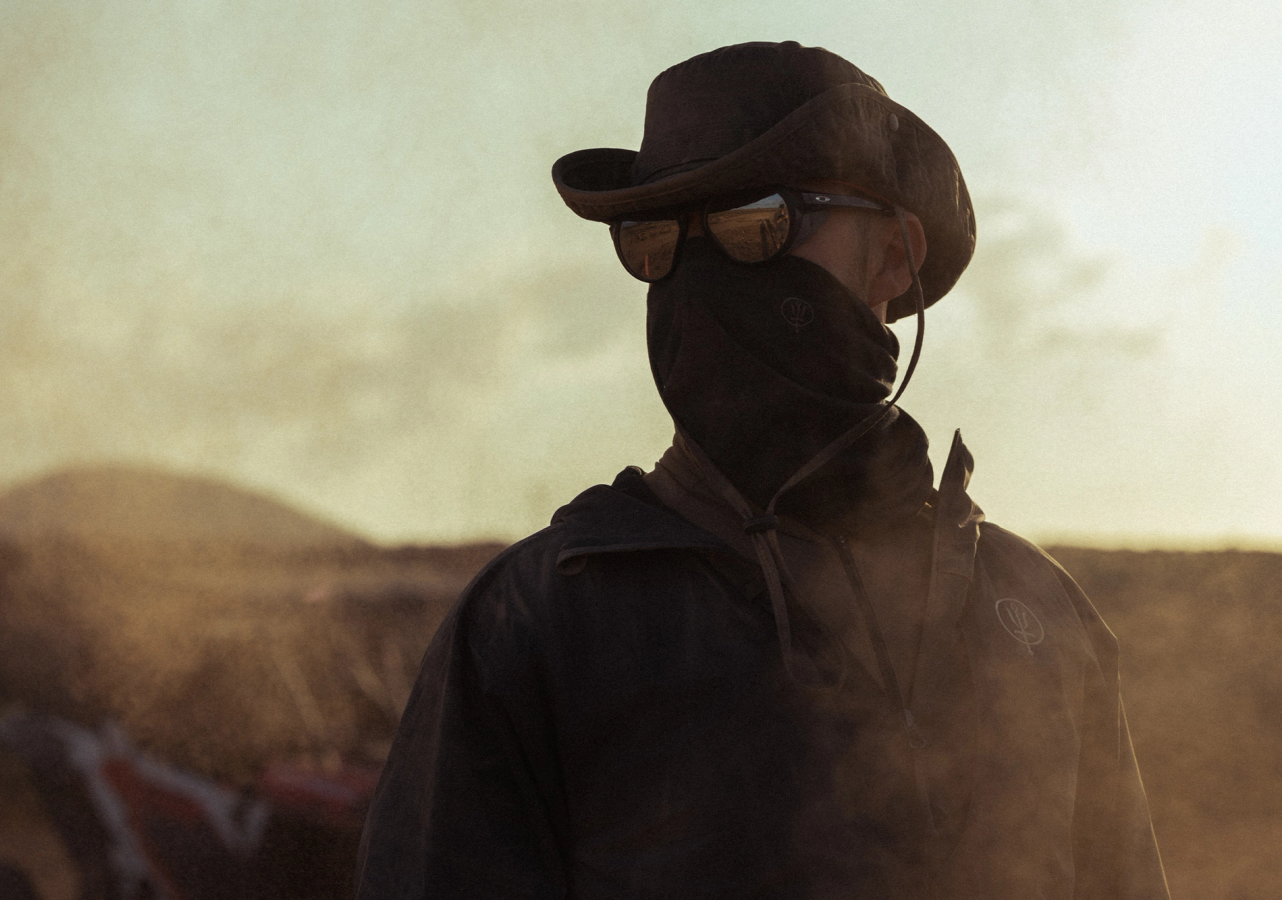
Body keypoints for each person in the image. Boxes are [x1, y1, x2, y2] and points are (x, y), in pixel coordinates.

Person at [355, 42, 1169, 899]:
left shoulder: (1038, 619)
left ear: (893, 257)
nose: (700, 273)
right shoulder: (539, 626)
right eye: (654, 239)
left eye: (758, 223)